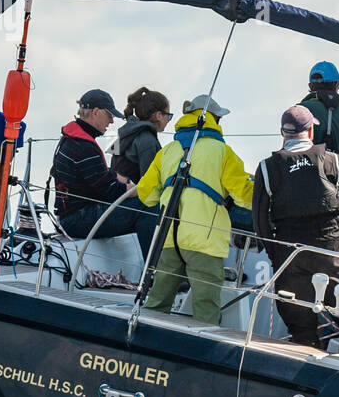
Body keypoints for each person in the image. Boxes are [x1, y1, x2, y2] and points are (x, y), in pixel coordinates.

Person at [253, 104, 339, 356]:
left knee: (298, 316)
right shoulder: (333, 161)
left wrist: (274, 253)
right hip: (327, 246)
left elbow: (260, 219)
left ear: (283, 133)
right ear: (310, 132)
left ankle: (307, 346)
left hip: (289, 250)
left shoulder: (266, 167)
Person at [137, 94, 254, 324]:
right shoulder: (222, 151)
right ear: (214, 119)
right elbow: (244, 195)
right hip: (204, 241)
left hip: (168, 238)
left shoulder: (167, 151)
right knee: (206, 310)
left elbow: (146, 194)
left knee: (157, 304)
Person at [53, 89, 158, 258]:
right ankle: (151, 273)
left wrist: (123, 179)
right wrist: (141, 189)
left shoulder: (72, 139)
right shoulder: (83, 146)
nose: (111, 121)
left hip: (70, 214)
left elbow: (98, 175)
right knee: (148, 205)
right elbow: (109, 191)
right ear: (95, 112)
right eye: (109, 115)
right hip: (77, 219)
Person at [111, 87, 172, 183]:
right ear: (159, 115)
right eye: (169, 116)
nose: (168, 120)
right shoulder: (147, 140)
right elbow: (150, 182)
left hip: (116, 195)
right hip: (132, 196)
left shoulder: (126, 134)